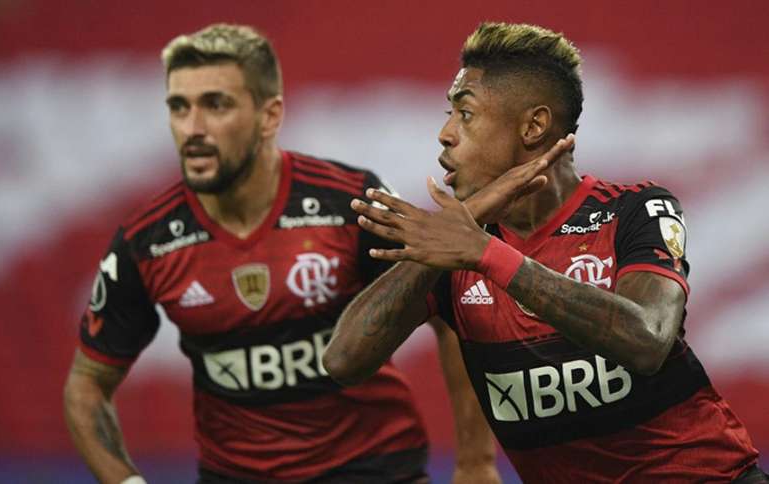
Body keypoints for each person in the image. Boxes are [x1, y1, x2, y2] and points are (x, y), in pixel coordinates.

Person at [324, 22, 768, 483]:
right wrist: (451, 235)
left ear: (533, 126)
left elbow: (648, 339)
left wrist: (486, 253)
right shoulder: (455, 250)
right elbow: (344, 361)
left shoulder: (635, 209)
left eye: (466, 113)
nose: (445, 133)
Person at [62, 23, 501, 484]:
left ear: (269, 116)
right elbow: (87, 385)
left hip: (374, 471)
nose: (192, 128)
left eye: (216, 105)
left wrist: (476, 462)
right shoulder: (148, 241)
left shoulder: (347, 203)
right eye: (179, 107)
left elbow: (454, 317)